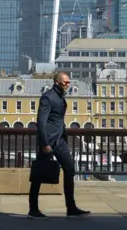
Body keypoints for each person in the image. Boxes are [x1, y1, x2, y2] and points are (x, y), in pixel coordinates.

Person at [28, 72, 90, 219]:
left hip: (59, 140)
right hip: (48, 141)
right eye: (65, 82)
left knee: (70, 169)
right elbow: (41, 121)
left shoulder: (60, 96)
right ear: (57, 82)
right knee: (38, 175)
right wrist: (44, 143)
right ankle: (33, 209)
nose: (68, 85)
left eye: (69, 82)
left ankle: (71, 208)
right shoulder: (47, 97)